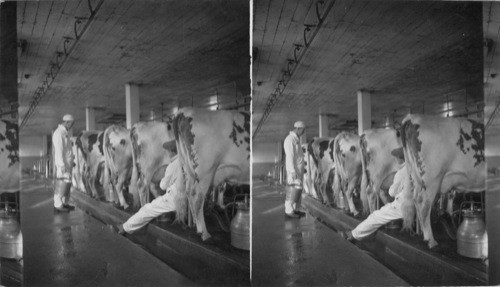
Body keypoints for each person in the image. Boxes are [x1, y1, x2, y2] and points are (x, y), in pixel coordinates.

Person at [340, 147, 408, 241]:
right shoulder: (416, 170)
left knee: (375, 216)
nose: (395, 159)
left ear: (400, 158)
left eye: (396, 157)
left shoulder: (400, 173)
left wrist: (392, 182)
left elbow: (391, 193)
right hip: (418, 203)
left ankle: (353, 234)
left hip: (403, 205)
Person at [115, 140, 182, 234]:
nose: (167, 153)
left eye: (167, 151)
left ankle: (124, 228)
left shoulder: (172, 166)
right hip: (185, 197)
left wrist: (162, 178)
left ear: (172, 151)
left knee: (147, 209)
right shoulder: (185, 161)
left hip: (174, 199)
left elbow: (163, 186)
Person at [283, 121, 307, 219]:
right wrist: (292, 171)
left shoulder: (296, 139)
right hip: (293, 170)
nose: (303, 132)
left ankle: (296, 210)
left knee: (298, 190)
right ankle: (288, 211)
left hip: (298, 170)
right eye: (303, 130)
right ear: (298, 129)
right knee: (292, 191)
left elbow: (299, 156)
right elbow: (290, 156)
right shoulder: (290, 140)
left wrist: (303, 168)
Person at [52, 114, 75, 212]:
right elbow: (59, 150)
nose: (72, 126)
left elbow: (67, 150)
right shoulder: (59, 133)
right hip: (63, 165)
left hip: (68, 164)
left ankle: (65, 203)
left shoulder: (65, 133)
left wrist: (72, 161)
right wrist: (61, 165)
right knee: (61, 184)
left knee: (68, 184)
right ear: (67, 122)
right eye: (71, 124)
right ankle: (57, 205)